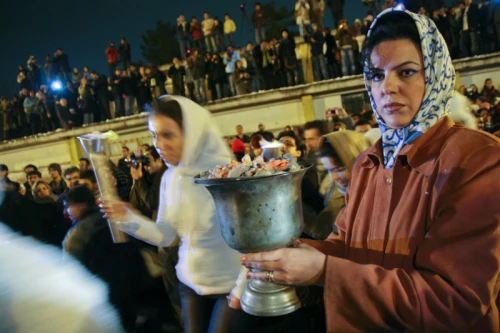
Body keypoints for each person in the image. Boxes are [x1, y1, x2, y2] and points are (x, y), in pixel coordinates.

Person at [243, 9, 500, 332]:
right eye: (377, 75)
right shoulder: (369, 162)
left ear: (434, 76)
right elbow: (347, 246)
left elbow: (455, 301)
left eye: (405, 72)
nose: (387, 87)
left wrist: (325, 271)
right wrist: (294, 254)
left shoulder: (478, 159)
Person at [101, 96, 258, 333]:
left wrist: (242, 289)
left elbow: (255, 242)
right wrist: (128, 218)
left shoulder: (229, 176)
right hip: (189, 286)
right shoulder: (170, 178)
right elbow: (168, 236)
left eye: (168, 135)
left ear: (193, 133)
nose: (158, 144)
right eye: (154, 135)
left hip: (231, 288)